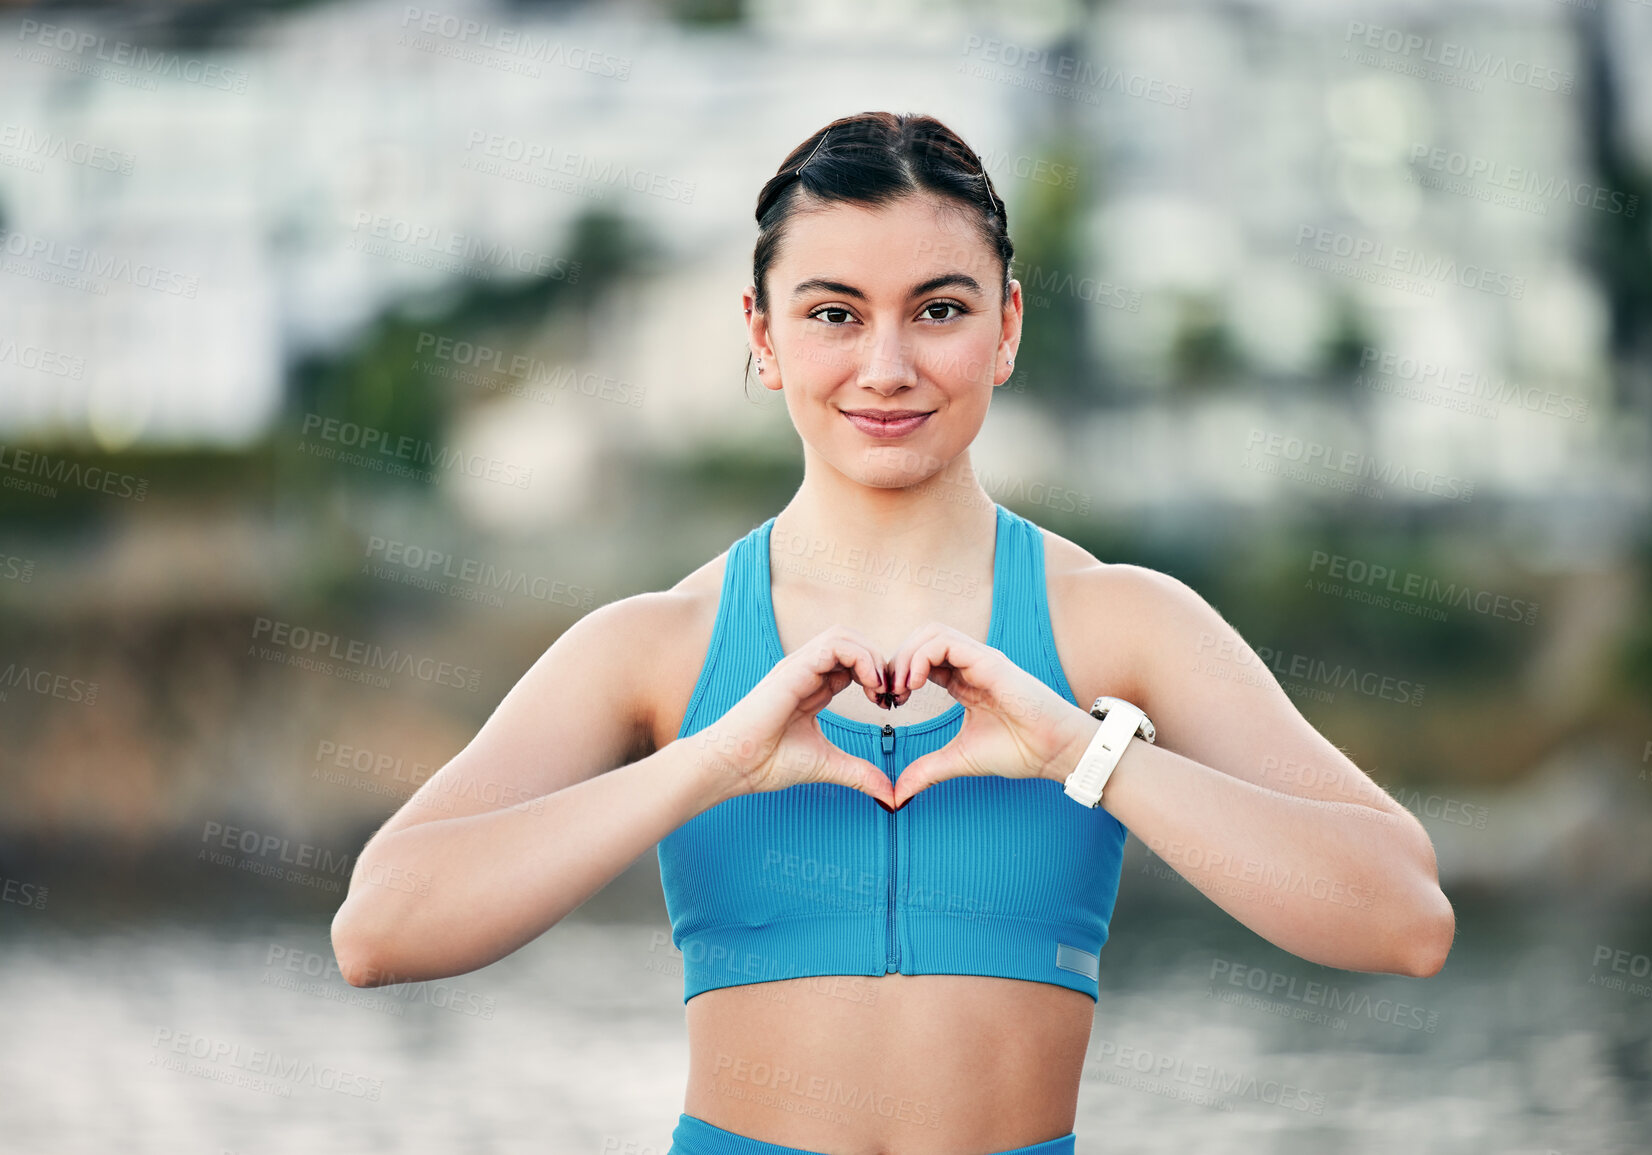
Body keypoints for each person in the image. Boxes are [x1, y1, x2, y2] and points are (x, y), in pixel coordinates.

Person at [331, 110, 1454, 1155]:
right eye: (833, 314)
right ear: (762, 336)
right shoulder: (653, 647)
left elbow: (1405, 921)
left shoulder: (1123, 621)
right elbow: (380, 931)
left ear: (1005, 326)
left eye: (940, 309)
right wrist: (710, 763)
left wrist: (1085, 756)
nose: (886, 367)